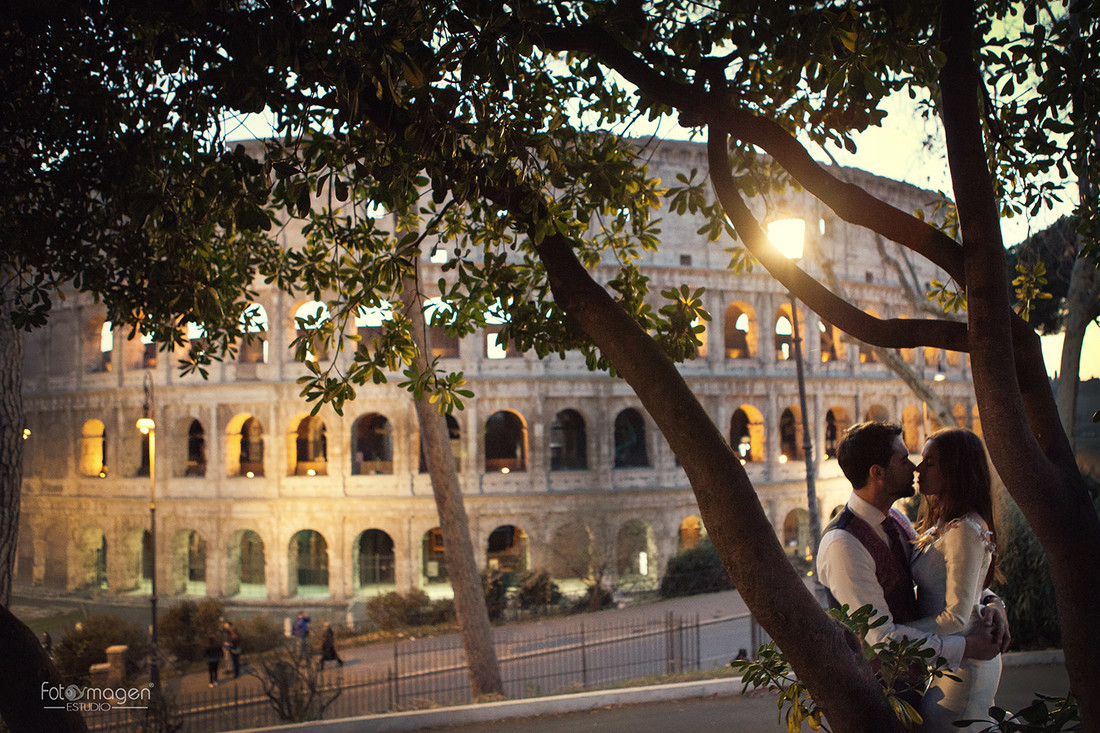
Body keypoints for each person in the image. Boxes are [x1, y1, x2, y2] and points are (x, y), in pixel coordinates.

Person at [816, 423, 1007, 710]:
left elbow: (951, 574)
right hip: (878, 698)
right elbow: (881, 638)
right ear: (877, 473)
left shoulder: (897, 521)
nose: (914, 467)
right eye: (903, 459)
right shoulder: (843, 544)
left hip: (920, 683)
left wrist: (992, 603)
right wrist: (966, 646)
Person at [907, 428, 1002, 731]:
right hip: (950, 657)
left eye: (930, 462)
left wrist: (892, 634)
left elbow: (958, 617)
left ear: (955, 470)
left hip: (966, 664)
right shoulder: (944, 523)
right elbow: (971, 585)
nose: (918, 469)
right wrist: (995, 602)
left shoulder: (964, 531)